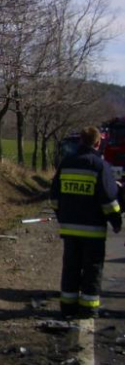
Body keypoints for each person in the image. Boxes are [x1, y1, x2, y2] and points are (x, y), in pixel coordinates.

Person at [50, 126, 121, 318]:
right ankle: (88, 309)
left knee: (70, 268)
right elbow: (108, 201)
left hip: (70, 230)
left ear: (80, 141)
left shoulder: (66, 163)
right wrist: (116, 221)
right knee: (92, 270)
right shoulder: (99, 166)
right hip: (93, 231)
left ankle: (67, 307)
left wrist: (62, 217)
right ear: (98, 143)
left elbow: (54, 197)